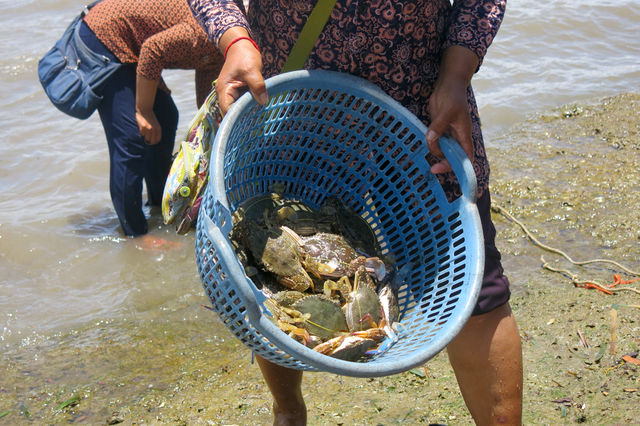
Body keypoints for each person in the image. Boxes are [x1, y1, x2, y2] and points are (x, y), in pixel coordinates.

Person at [188, 0, 522, 424]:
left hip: (420, 105)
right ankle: (289, 409)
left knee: (477, 291)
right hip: (294, 101)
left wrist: (457, 71)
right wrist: (235, 38)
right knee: (263, 272)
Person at [78, 0, 223, 248]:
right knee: (133, 134)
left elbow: (206, 88)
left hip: (136, 42)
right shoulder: (208, 31)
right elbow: (153, 49)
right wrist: (143, 110)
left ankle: (160, 205)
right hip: (107, 36)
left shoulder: (217, 48)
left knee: (166, 117)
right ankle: (136, 235)